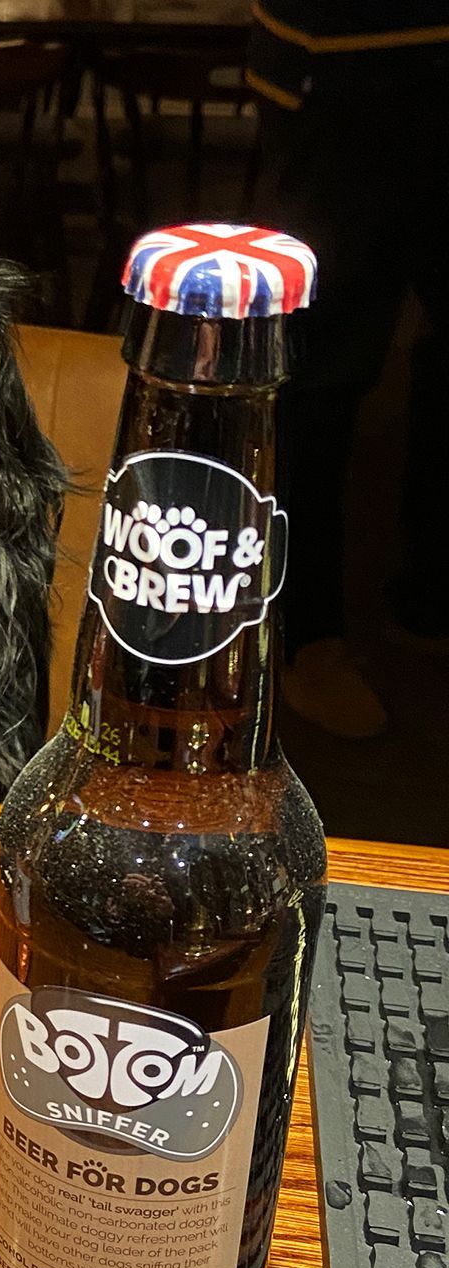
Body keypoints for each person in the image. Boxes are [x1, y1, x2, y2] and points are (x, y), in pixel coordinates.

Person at [247, 4, 449, 738]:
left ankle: (428, 594)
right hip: (345, 45)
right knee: (317, 367)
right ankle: (304, 639)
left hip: (364, 47)